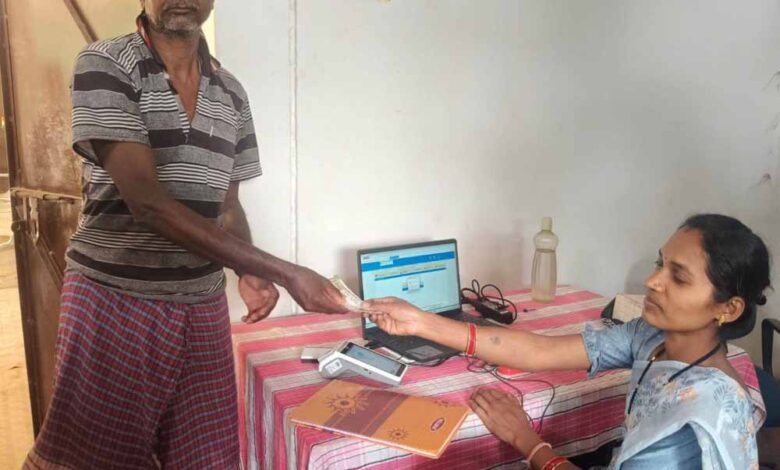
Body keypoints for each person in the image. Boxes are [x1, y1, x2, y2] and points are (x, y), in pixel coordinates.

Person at [24, 1, 346, 468]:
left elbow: (227, 206)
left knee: (207, 457)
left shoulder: (231, 93)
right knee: (92, 459)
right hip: (115, 299)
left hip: (201, 302)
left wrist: (248, 270)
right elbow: (148, 204)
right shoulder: (107, 63)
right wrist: (286, 272)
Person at [366, 214, 770, 469]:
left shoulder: (702, 409)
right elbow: (538, 350)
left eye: (677, 277)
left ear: (728, 308)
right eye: (659, 263)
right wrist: (421, 322)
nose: (652, 281)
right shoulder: (650, 339)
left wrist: (526, 441)